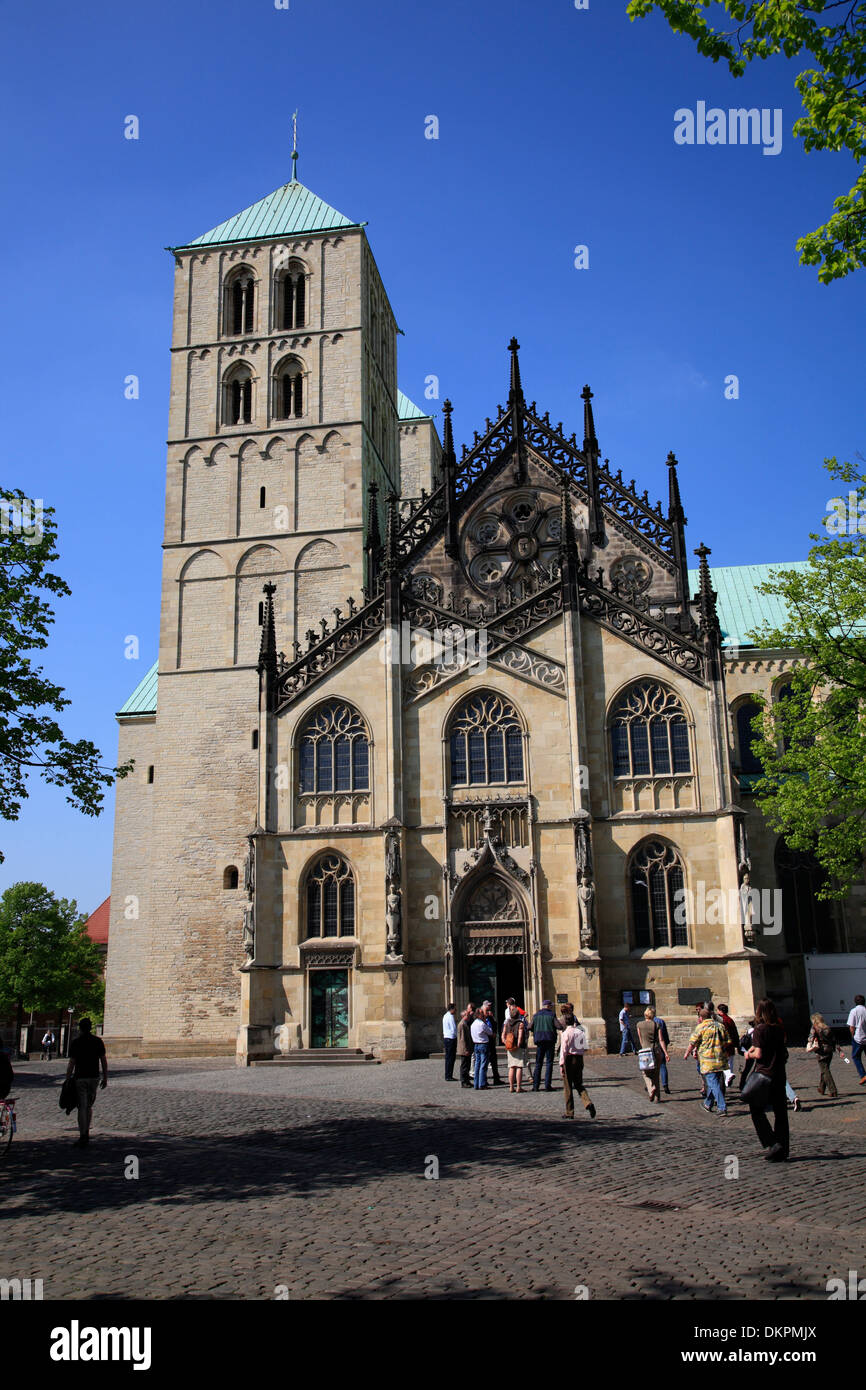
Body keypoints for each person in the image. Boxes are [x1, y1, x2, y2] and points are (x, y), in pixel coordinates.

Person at [745, 997, 790, 1161]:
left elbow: (758, 1054)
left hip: (764, 1075)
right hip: (779, 1074)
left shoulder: (760, 1029)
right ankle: (783, 1149)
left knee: (756, 1111)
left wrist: (747, 1054)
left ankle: (772, 1143)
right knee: (780, 1113)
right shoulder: (779, 1028)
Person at [65, 1018, 107, 1149]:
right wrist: (105, 1077)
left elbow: (72, 1062)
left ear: (80, 1029)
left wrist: (67, 1078)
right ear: (90, 1028)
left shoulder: (76, 1042)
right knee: (88, 1106)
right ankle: (86, 1132)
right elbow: (103, 1061)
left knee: (81, 1107)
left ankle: (83, 1134)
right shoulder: (97, 1041)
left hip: (80, 1078)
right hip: (94, 1078)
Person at [685, 1006, 730, 1115]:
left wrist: (687, 1053)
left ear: (701, 1017)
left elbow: (693, 1042)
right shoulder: (720, 1026)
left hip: (707, 1060)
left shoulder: (701, 1027)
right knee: (713, 1083)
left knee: (713, 1083)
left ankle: (721, 1107)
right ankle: (707, 1103)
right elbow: (727, 1041)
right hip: (720, 1059)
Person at [560, 1013, 597, 1119]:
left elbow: (564, 1051)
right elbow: (584, 1047)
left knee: (568, 1087)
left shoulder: (565, 1033)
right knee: (579, 1084)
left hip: (569, 1059)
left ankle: (569, 1112)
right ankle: (588, 1103)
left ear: (565, 1022)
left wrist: (561, 1065)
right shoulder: (580, 1032)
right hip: (579, 1059)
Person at [636, 1006, 669, 1102]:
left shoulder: (639, 1025)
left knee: (645, 1073)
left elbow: (640, 1039)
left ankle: (651, 1088)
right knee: (656, 1073)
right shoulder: (656, 1024)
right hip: (656, 1050)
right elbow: (661, 1040)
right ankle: (657, 1098)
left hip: (645, 1051)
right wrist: (666, 1053)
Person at [807, 1012, 838, 1099]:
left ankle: (833, 1090)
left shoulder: (815, 1028)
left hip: (821, 1052)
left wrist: (809, 1044)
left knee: (825, 1070)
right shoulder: (827, 1027)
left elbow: (810, 1038)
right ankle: (821, 1088)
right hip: (829, 1051)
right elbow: (834, 1040)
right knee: (825, 1069)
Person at [530, 1000, 558, 1091]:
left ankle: (535, 1086)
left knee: (538, 1063)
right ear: (548, 1006)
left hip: (539, 1041)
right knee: (549, 1063)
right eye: (551, 1006)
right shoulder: (552, 1015)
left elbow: (529, 1027)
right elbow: (559, 1026)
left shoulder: (536, 1015)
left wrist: (536, 1030)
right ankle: (547, 1085)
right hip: (550, 1040)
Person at [502, 1007, 527, 1093]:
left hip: (509, 1046)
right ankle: (518, 1087)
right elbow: (520, 1036)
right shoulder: (520, 1023)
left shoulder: (507, 1023)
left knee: (512, 1067)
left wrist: (506, 1042)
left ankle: (511, 1087)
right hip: (517, 1046)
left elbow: (503, 1035)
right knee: (519, 1066)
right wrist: (519, 1045)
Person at [480, 1001, 505, 1085]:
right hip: (485, 1042)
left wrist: (492, 1017)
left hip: (491, 1042)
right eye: (488, 1006)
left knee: (494, 1061)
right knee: (484, 1062)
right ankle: (484, 1080)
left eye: (490, 1006)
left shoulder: (490, 1017)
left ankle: (496, 1079)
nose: (489, 1008)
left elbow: (494, 1025)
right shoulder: (480, 1018)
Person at [470, 1008, 493, 1090]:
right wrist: (487, 1023)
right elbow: (490, 1032)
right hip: (483, 1045)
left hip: (476, 1044)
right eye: (482, 1014)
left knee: (477, 1064)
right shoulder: (482, 1024)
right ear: (480, 1015)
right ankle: (482, 1084)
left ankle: (476, 1084)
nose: (484, 1015)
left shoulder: (473, 1024)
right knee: (483, 1065)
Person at [717, 1004, 739, 1087]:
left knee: (722, 1063)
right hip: (731, 1044)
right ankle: (728, 1081)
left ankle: (728, 1076)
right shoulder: (730, 1020)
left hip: (723, 1044)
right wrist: (737, 1043)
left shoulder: (721, 1020)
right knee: (730, 1063)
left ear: (720, 1010)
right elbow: (735, 1032)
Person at [848, 993, 866, 1084]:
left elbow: (852, 1026)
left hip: (858, 1037)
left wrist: (852, 1036)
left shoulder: (854, 1011)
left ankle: (863, 1075)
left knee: (856, 1057)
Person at [456, 1003, 474, 1088]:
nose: (469, 1016)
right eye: (467, 1015)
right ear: (464, 1016)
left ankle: (467, 1080)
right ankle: (464, 1082)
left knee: (467, 1065)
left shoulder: (465, 1023)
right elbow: (462, 1039)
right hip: (464, 1049)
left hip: (467, 1048)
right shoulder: (462, 1024)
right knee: (464, 1066)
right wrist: (466, 1049)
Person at [655, 1012, 671, 1093]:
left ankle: (652, 1086)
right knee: (662, 1065)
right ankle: (665, 1085)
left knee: (652, 1068)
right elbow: (665, 1037)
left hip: (652, 1047)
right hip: (661, 1047)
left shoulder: (646, 1023)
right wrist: (665, 1050)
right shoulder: (660, 1021)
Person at [442, 1002, 458, 1082]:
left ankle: (448, 1074)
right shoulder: (450, 1017)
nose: (456, 1010)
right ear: (452, 1009)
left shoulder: (445, 1016)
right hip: (451, 1038)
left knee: (448, 1057)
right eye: (455, 1008)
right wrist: (457, 1037)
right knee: (451, 1058)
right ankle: (449, 1075)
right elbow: (453, 1029)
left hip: (446, 1038)